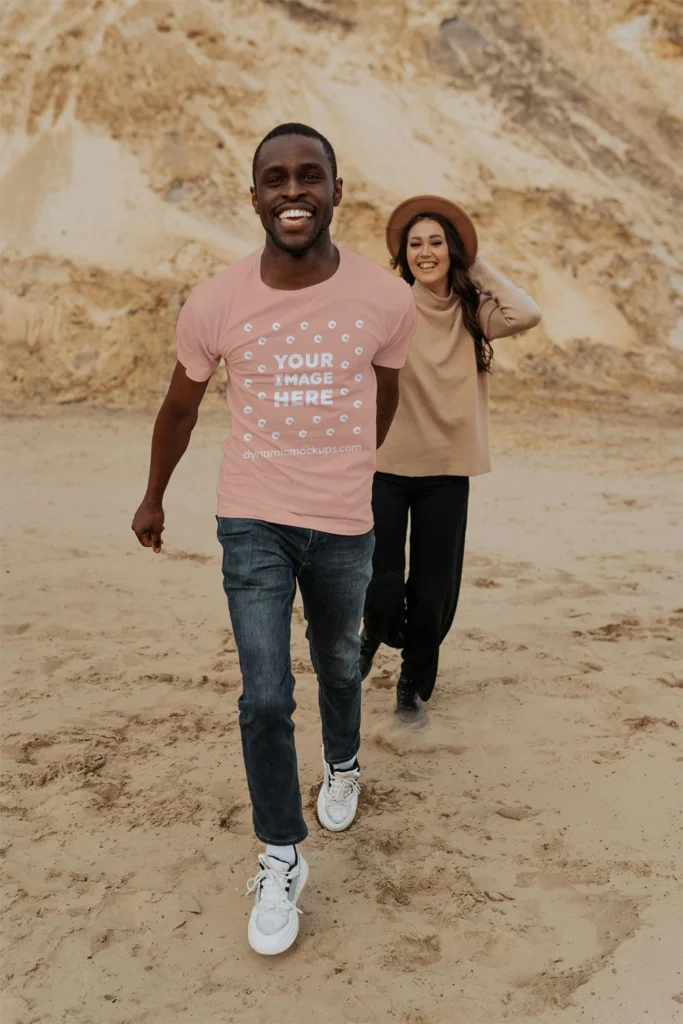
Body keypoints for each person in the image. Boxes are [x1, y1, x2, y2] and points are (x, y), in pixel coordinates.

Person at [131, 124, 415, 956]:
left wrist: (357, 468)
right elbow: (180, 406)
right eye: (275, 179)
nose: (293, 192)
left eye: (309, 177)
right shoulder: (215, 300)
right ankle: (280, 853)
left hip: (341, 521)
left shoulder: (384, 298)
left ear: (335, 189)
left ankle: (342, 761)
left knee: (336, 662)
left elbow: (383, 395)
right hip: (250, 516)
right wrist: (154, 496)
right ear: (253, 194)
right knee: (262, 694)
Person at [359, 195, 541, 717]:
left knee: (434, 588)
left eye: (436, 242)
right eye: (415, 244)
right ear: (403, 254)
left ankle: (412, 688)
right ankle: (371, 634)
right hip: (387, 467)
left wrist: (473, 261)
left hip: (447, 471)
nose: (425, 252)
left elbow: (526, 312)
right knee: (382, 578)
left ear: (452, 249)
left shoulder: (474, 311)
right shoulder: (390, 303)